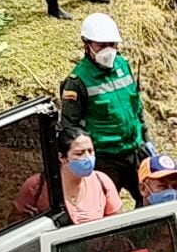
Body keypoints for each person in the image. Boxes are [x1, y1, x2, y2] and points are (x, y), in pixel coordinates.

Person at [60, 13, 152, 205]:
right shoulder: (77, 82)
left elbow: (136, 106)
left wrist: (146, 139)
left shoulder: (123, 64)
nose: (108, 50)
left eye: (112, 44)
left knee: (149, 199)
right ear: (87, 44)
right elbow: (70, 127)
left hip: (135, 151)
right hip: (105, 158)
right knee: (105, 208)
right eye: (101, 46)